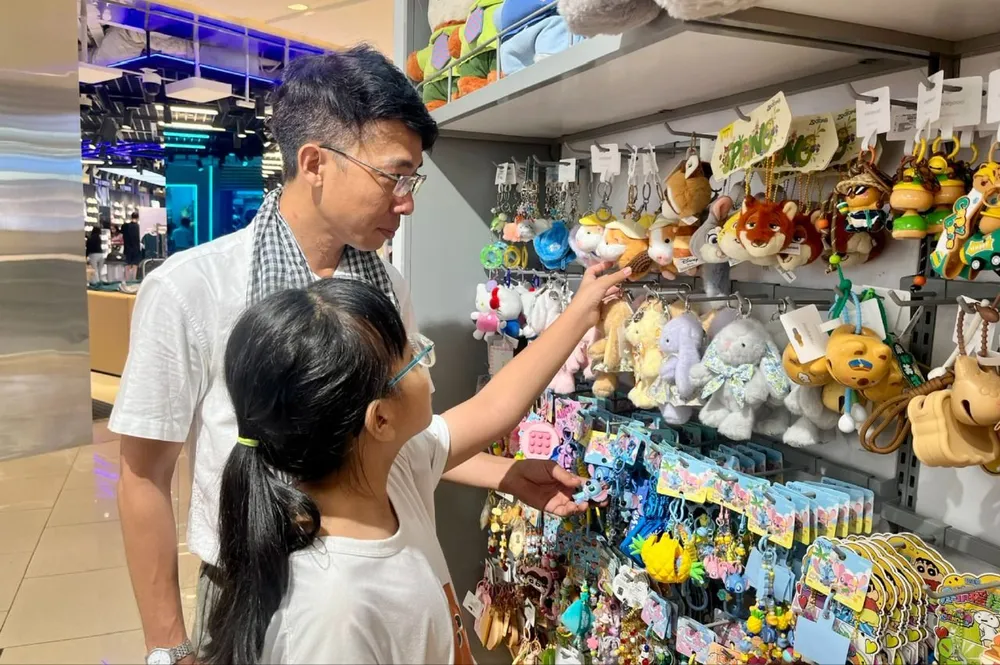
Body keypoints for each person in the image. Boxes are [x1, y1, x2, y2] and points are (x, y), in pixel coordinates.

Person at [109, 45, 589, 665]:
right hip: (255, 584)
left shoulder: (385, 285)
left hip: (384, 563)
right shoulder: (190, 288)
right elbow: (143, 476)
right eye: (394, 176)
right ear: (315, 163)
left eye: (412, 180)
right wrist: (167, 649)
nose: (407, 201)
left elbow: (387, 438)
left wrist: (499, 472)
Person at [206, 266, 627, 665]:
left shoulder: (386, 469)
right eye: (412, 356)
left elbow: (494, 407)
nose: (426, 358)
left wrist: (580, 313)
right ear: (380, 420)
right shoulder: (332, 614)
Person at [124, 211, 142, 280]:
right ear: (138, 218)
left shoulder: (126, 226)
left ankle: (127, 279)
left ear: (131, 217)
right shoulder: (138, 227)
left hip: (127, 248)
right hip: (136, 248)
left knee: (127, 264)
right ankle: (134, 279)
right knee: (135, 265)